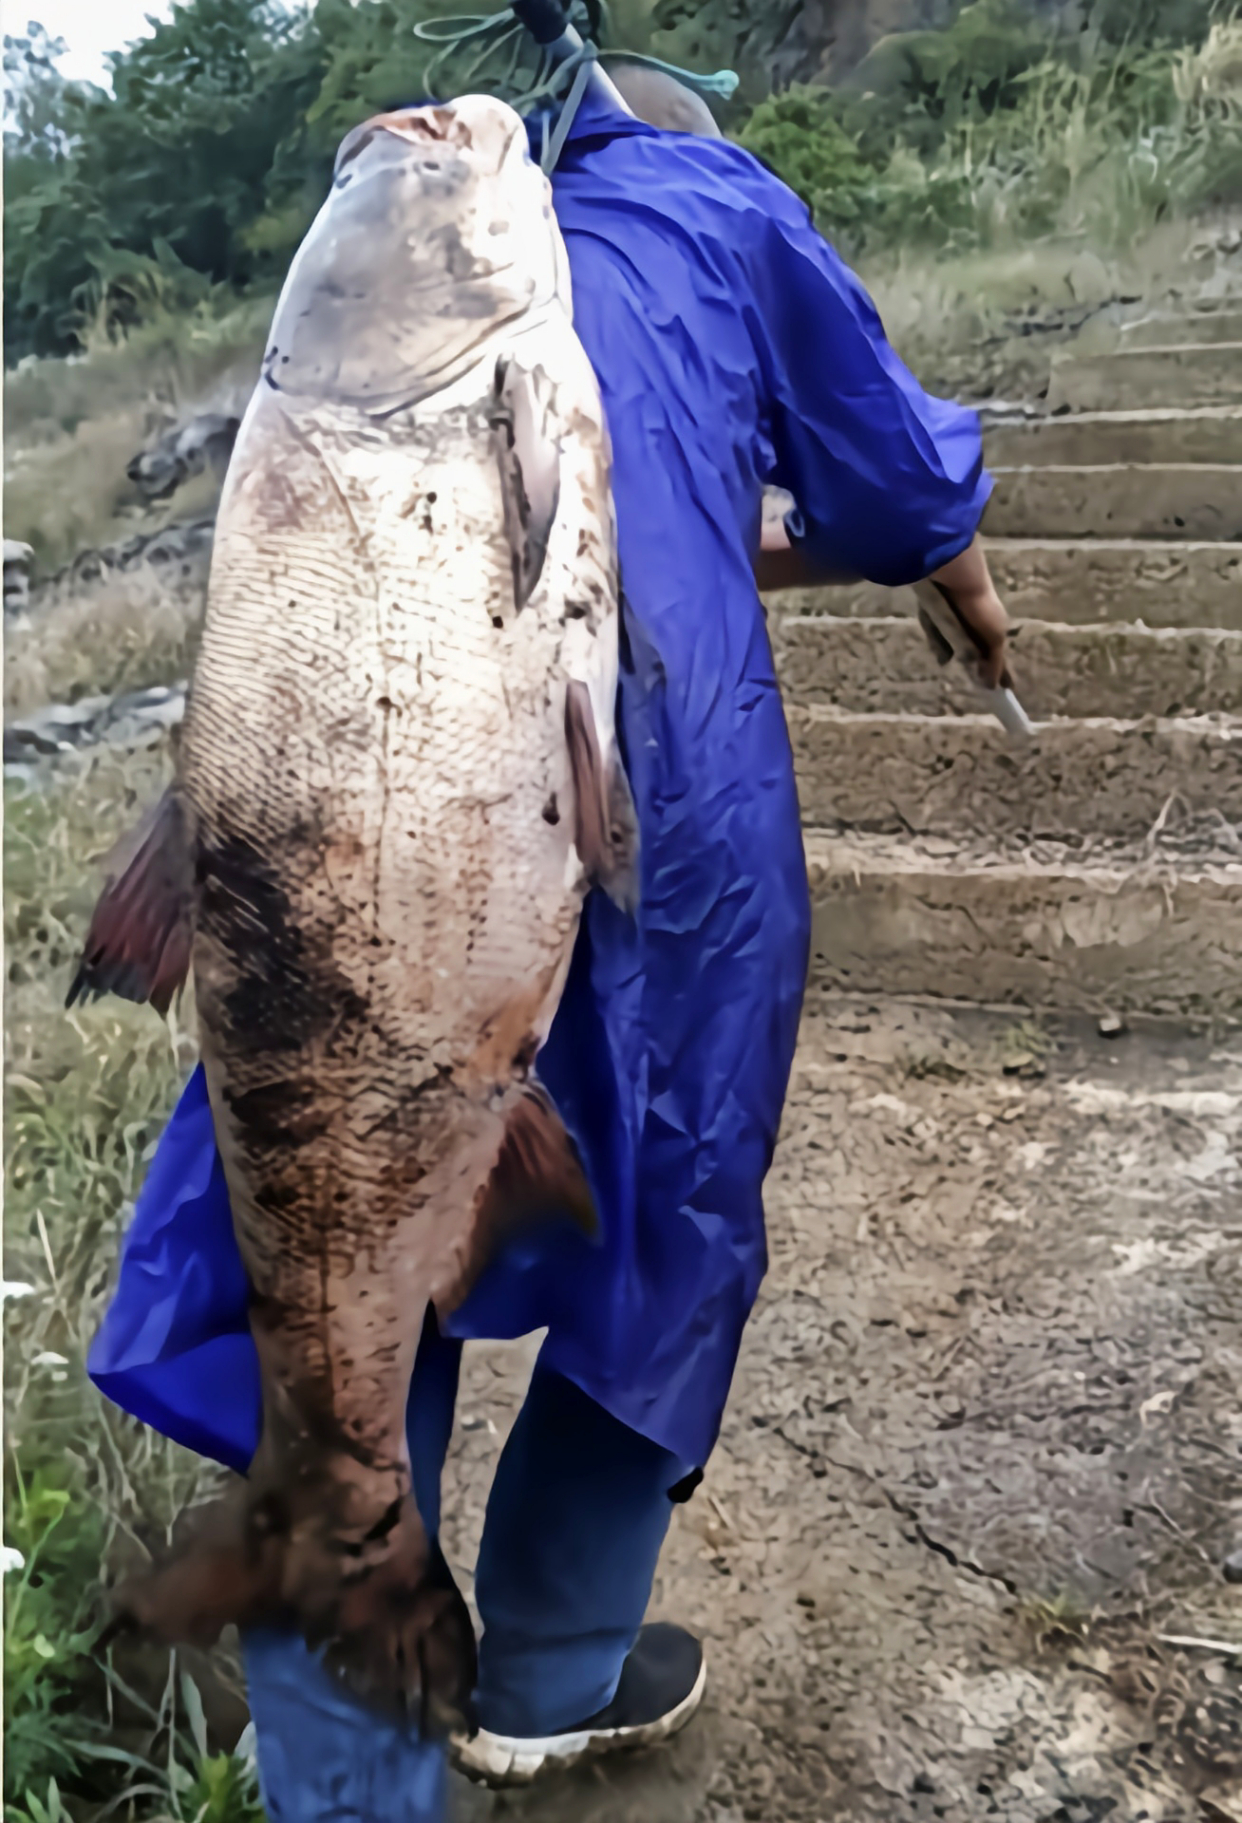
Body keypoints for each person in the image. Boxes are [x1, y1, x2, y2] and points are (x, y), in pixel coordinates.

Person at [86, 55, 1012, 1823]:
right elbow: (900, 496)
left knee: (339, 1256)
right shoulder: (719, 205)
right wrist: (950, 572)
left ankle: (343, 1775)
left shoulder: (371, 274)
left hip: (344, 840)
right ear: (683, 135)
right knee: (663, 1222)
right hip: (663, 828)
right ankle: (555, 1671)